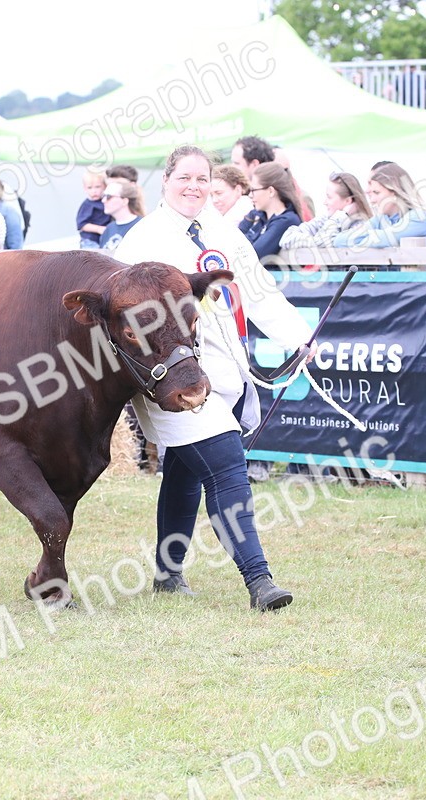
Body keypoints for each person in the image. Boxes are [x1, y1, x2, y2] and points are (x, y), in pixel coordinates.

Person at [113, 145, 313, 612]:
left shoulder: (222, 231)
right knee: (224, 462)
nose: (194, 187)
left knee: (184, 471)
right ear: (165, 182)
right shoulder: (142, 240)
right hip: (168, 378)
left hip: (222, 368)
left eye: (202, 179)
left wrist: (298, 336)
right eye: (184, 178)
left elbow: (259, 290)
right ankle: (259, 580)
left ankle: (167, 573)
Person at [333, 163, 426, 253]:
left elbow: (383, 239)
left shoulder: (420, 217)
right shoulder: (382, 219)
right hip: (396, 277)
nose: (373, 200)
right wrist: (373, 236)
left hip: (423, 277)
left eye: (377, 193)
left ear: (395, 192)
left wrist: (362, 237)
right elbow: (339, 241)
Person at [279, 171, 372, 251]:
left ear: (348, 201)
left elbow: (324, 243)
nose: (325, 202)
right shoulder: (325, 220)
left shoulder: (361, 226)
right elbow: (286, 238)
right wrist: (314, 240)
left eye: (329, 197)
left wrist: (340, 216)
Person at [239, 162, 304, 262]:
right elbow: (234, 242)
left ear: (271, 191)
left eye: (254, 190)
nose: (250, 195)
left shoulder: (286, 221)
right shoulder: (258, 216)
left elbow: (254, 254)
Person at [99, 180, 143, 252]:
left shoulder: (141, 226)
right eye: (103, 196)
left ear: (124, 201)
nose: (103, 200)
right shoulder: (109, 228)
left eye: (108, 196)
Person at [75, 168, 111, 248]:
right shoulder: (87, 205)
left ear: (105, 187)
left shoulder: (106, 201)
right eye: (90, 188)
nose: (94, 191)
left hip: (104, 240)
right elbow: (81, 224)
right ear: (85, 188)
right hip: (90, 241)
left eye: (97, 187)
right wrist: (99, 229)